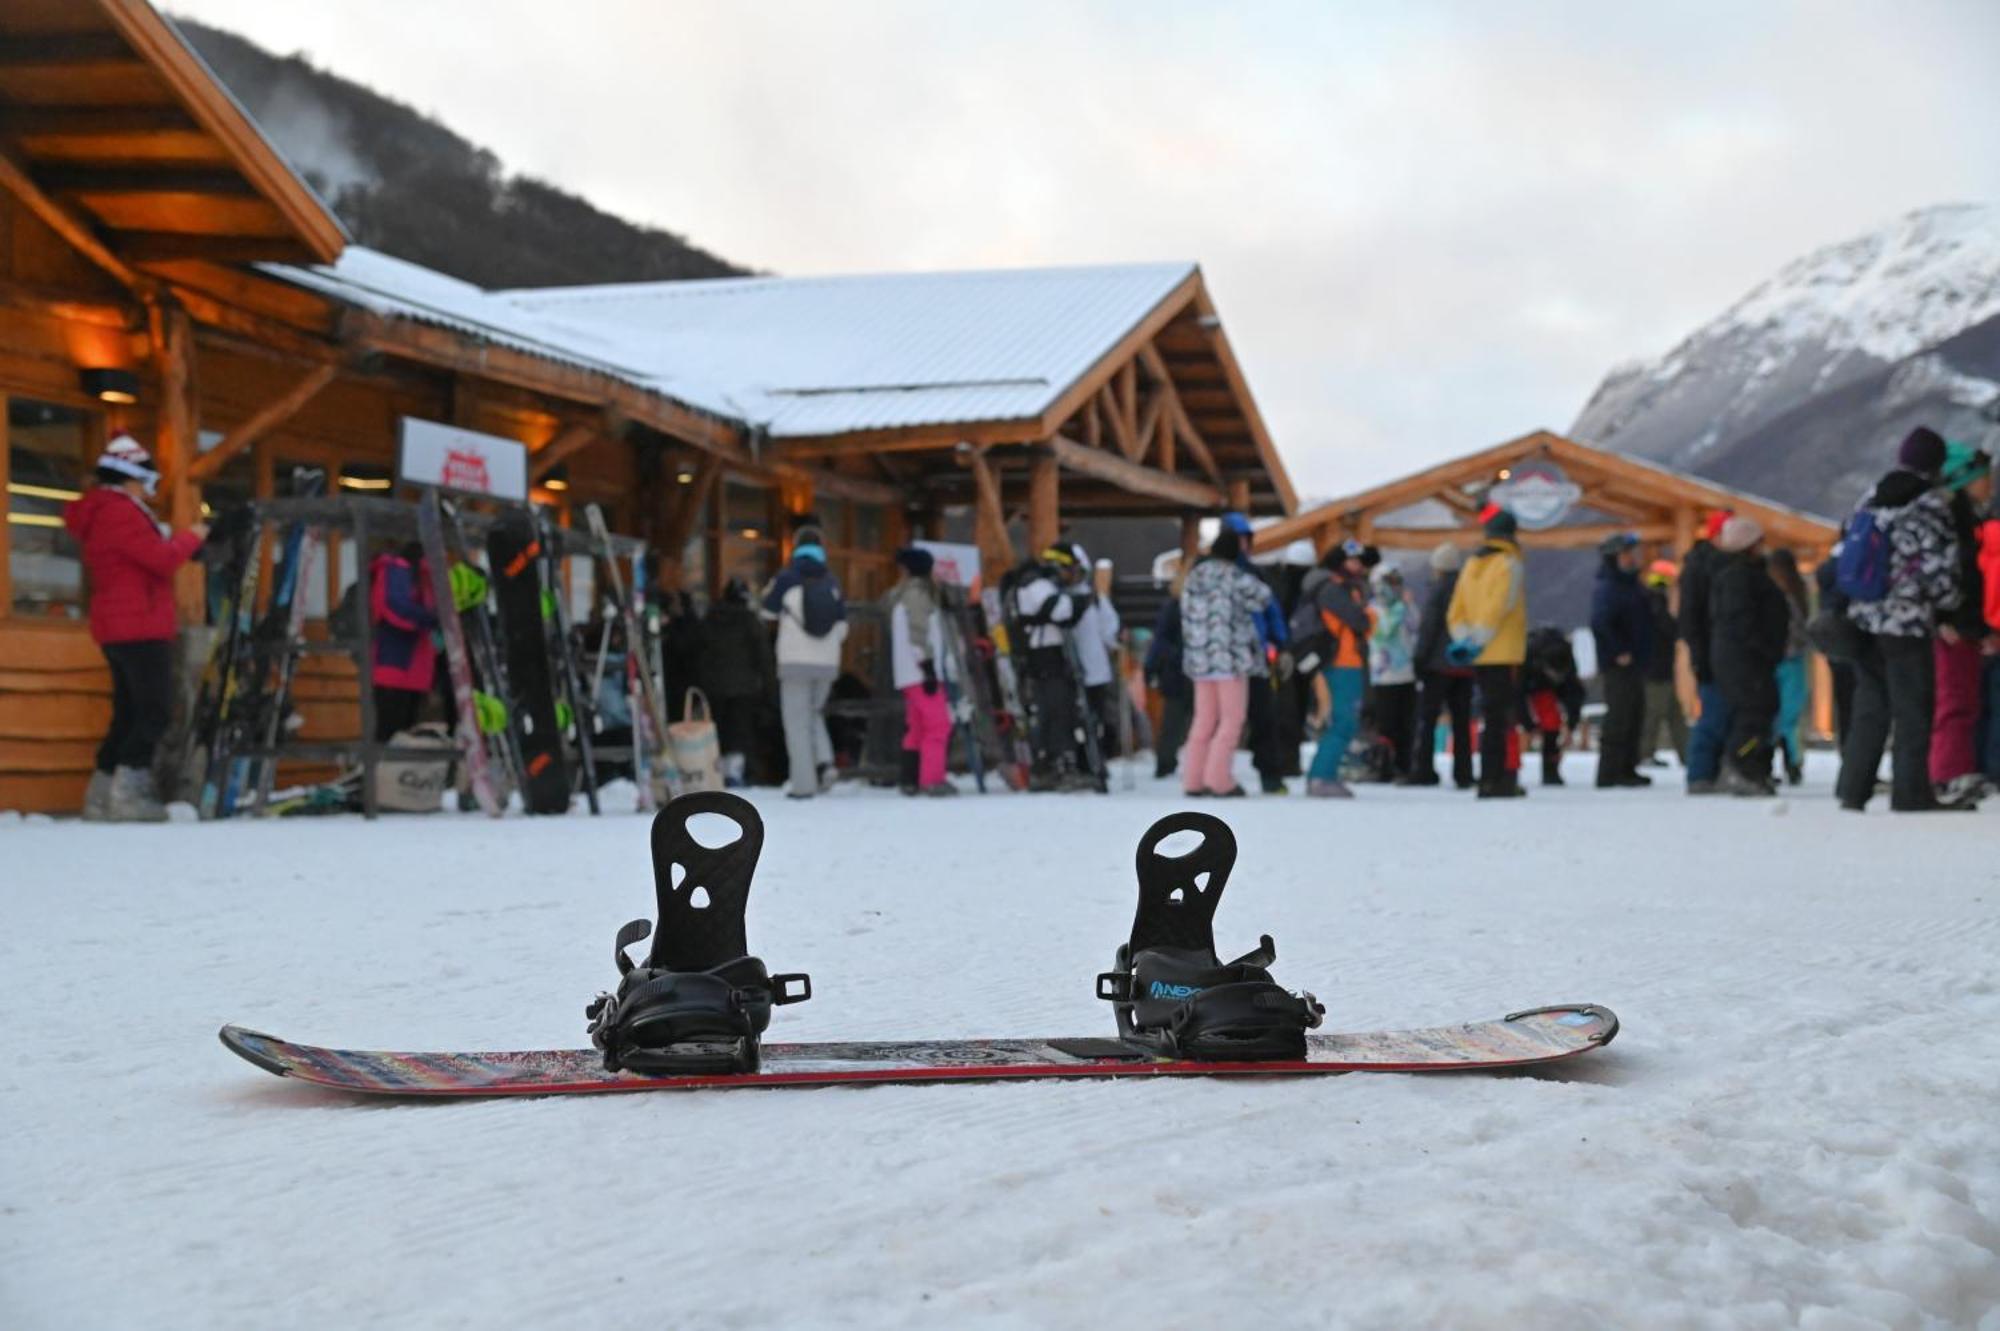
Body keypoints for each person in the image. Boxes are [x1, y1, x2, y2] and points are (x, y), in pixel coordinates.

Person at [64, 435, 208, 821]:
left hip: (118, 624)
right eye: (145, 481)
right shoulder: (120, 512)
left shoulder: (104, 511)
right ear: (129, 479)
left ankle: (101, 793)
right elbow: (160, 559)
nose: (149, 490)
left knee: (128, 713)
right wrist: (192, 537)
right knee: (154, 710)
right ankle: (128, 794)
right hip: (139, 623)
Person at [1837, 428, 1964, 813]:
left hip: (1865, 616)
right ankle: (1911, 792)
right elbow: (1939, 568)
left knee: (1870, 705)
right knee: (1913, 709)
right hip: (1906, 621)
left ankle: (1853, 789)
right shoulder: (1928, 504)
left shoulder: (1872, 496)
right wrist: (1949, 606)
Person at [1177, 527, 1274, 797]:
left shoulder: (1194, 576)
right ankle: (1219, 779)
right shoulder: (1235, 576)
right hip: (1230, 658)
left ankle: (1193, 779)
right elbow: (1264, 597)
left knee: (1204, 720)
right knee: (1232, 720)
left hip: (1199, 659)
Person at [1446, 506, 1529, 799]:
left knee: (1487, 716)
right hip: (1503, 650)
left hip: (1476, 654)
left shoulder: (1472, 564)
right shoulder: (1509, 563)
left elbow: (1456, 609)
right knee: (1502, 719)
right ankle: (1498, 779)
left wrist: (1465, 640)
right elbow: (1501, 604)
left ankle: (1487, 777)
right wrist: (1481, 638)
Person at [760, 525, 848, 799]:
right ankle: (825, 762)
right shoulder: (831, 581)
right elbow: (843, 626)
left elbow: (767, 610)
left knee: (796, 722)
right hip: (828, 663)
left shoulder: (786, 578)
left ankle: (803, 785)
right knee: (814, 712)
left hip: (795, 661)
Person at [1930, 442, 1994, 805]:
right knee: (1955, 701)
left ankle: (1955, 770)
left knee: (1964, 700)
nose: (1990, 484)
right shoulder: (1957, 521)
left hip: (1964, 623)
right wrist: (1947, 617)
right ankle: (1948, 774)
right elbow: (1959, 576)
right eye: (1984, 478)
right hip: (1957, 626)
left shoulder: (1965, 518)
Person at [1710, 516, 1790, 796]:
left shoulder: (1745, 574)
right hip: (1746, 659)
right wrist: (1764, 647)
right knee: (1753, 713)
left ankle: (1754, 767)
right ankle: (1741, 766)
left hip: (1749, 658)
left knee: (1760, 712)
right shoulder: (1738, 577)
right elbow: (1741, 621)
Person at [1008, 545, 1092, 790]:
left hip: (1046, 655)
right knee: (1056, 711)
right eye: (1069, 570)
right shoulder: (1037, 584)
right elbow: (1060, 610)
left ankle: (1052, 765)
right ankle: (1057, 766)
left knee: (1057, 710)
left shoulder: (1035, 583)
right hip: (1044, 656)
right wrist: (1081, 601)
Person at [1221, 512, 1292, 794]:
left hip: (1255, 657)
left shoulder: (1254, 574)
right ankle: (1215, 775)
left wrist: (1281, 644)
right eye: (1237, 539)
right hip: (1221, 660)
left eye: (1245, 539)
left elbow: (1271, 611)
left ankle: (1270, 774)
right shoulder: (1213, 573)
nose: (1242, 544)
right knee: (1222, 720)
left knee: (1263, 716)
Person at [1300, 540, 1373, 798]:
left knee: (1342, 720)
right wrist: (1370, 615)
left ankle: (1322, 774)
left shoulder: (1331, 586)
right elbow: (1360, 621)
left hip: (1340, 661)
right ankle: (1322, 776)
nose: (1358, 566)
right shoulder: (1334, 589)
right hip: (1343, 662)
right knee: (1344, 721)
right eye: (1352, 561)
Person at [882, 547, 955, 797]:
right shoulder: (917, 595)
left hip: (909, 672)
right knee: (938, 725)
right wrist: (927, 666)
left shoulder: (902, 594)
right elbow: (918, 632)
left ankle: (910, 778)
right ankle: (931, 779)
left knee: (917, 726)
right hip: (920, 671)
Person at [1408, 542, 1474, 787]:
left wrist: (1419, 659)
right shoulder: (1469, 588)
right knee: (1462, 722)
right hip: (1465, 664)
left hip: (1438, 665)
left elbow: (1430, 627)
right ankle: (1463, 773)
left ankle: (1424, 769)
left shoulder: (1438, 591)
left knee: (1428, 719)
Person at [1590, 532, 1653, 788]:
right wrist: (1617, 651)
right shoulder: (1610, 587)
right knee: (1619, 716)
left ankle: (1627, 767)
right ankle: (1609, 771)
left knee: (1634, 714)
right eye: (1626, 554)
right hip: (1618, 663)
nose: (1631, 558)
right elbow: (1601, 622)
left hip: (1637, 659)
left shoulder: (1631, 584)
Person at [699, 578, 776, 788]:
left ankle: (718, 772)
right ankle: (740, 773)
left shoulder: (711, 619)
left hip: (714, 685)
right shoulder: (750, 621)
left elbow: (700, 651)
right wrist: (770, 689)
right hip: (744, 687)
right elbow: (764, 657)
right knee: (741, 732)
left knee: (719, 731)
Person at [1680, 509, 1733, 793]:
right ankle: (1700, 773)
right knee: (1712, 715)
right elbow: (1691, 616)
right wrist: (1700, 654)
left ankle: (1717, 769)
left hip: (1725, 650)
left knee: (1726, 714)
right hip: (1710, 652)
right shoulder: (1701, 567)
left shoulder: (1723, 565)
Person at [368, 541, 438, 742]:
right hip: (397, 665)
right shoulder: (398, 570)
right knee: (394, 734)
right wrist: (430, 619)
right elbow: (394, 606)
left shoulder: (425, 575)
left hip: (411, 668)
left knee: (402, 736)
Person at [1068, 544, 1123, 764]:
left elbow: (1110, 630)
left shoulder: (1094, 600)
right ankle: (1083, 756)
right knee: (1079, 718)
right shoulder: (1064, 598)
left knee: (1096, 716)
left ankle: (1097, 755)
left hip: (1095, 671)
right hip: (1072, 671)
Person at [1367, 564, 1420, 778]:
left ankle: (1404, 765)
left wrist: (1407, 607)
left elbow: (1416, 628)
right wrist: (1399, 609)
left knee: (1406, 724)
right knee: (1386, 724)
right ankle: (1383, 765)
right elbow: (1383, 633)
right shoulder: (1372, 609)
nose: (1395, 587)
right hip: (1384, 675)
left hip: (1407, 673)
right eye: (1390, 583)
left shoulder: (1405, 606)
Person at [1766, 548, 1812, 786]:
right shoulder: (1799, 595)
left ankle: (1780, 758)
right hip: (1793, 659)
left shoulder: (1772, 595)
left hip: (1777, 659)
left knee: (1778, 715)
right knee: (1789, 716)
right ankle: (1792, 760)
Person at [1519, 625, 1585, 787]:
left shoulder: (1567, 666)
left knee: (1551, 723)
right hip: (1533, 683)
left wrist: (1571, 725)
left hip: (1551, 686)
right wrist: (1529, 726)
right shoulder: (1526, 660)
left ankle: (1551, 768)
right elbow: (1517, 697)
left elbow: (1575, 696)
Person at [1639, 560, 1687, 766]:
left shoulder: (1648, 602)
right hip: (1657, 669)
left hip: (1658, 668)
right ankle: (1645, 754)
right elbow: (1669, 630)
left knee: (1671, 714)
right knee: (1656, 714)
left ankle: (1687, 754)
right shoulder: (1656, 604)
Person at [1145, 576, 1191, 780]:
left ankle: (1167, 763)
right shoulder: (1174, 608)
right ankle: (1167, 763)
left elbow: (1159, 641)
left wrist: (1152, 667)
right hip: (1179, 671)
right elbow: (1161, 640)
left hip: (1176, 669)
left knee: (1174, 721)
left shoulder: (1172, 607)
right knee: (1175, 720)